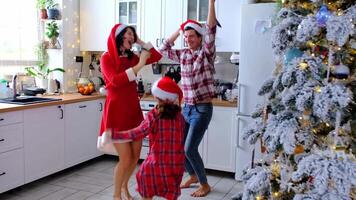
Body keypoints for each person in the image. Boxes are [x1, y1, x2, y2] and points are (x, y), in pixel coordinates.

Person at [159, 0, 217, 197]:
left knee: (189, 148)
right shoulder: (183, 54)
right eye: (186, 37)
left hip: (202, 109)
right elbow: (163, 48)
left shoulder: (206, 53)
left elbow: (210, 29)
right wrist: (179, 28)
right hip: (186, 109)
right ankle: (192, 175)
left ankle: (205, 184)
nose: (188, 39)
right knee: (179, 146)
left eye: (192, 36)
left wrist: (211, 3)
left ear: (200, 38)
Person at [97, 23, 162, 200]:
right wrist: (140, 64)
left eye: (132, 34)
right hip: (117, 114)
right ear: (118, 37)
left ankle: (125, 187)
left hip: (133, 113)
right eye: (127, 34)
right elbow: (115, 81)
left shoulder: (131, 57)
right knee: (125, 159)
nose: (131, 37)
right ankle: (116, 195)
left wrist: (139, 41)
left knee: (134, 158)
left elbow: (156, 56)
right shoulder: (107, 57)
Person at [113, 76, 186, 200]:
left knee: (146, 184)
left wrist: (116, 135)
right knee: (171, 193)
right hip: (176, 165)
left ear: (157, 97)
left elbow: (138, 133)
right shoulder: (180, 118)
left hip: (155, 165)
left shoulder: (154, 115)